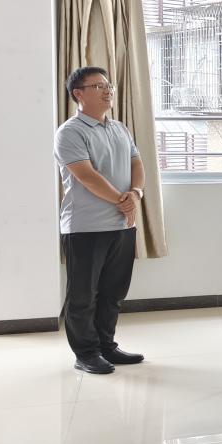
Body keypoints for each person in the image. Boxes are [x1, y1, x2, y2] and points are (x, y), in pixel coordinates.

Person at [54, 67, 146, 374]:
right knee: (83, 296)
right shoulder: (70, 132)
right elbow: (87, 176)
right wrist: (123, 201)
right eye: (98, 86)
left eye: (109, 85)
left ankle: (106, 346)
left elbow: (137, 164)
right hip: (86, 227)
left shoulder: (119, 128)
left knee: (113, 293)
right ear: (78, 94)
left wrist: (136, 193)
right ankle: (86, 353)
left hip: (122, 225)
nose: (107, 91)